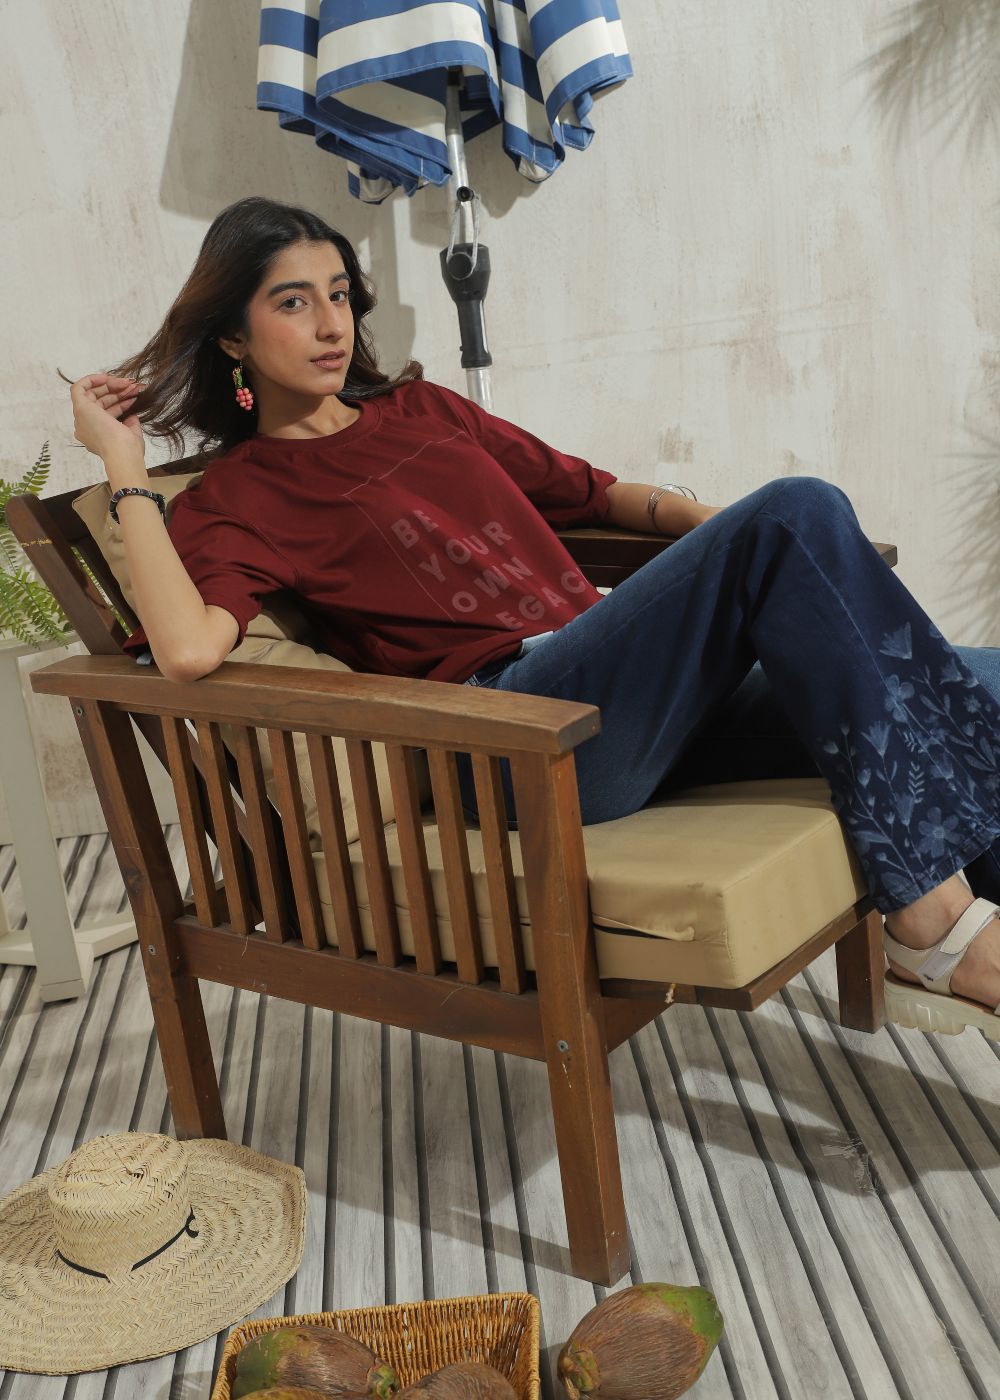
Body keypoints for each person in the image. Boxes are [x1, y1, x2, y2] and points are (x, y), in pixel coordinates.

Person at [67, 196, 1000, 1040]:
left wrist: (740, 539)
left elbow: (592, 493)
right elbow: (186, 651)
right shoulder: (238, 494)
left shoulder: (423, 409)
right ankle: (934, 929)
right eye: (293, 302)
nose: (331, 324)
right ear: (232, 336)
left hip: (639, 695)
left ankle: (968, 944)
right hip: (523, 734)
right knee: (798, 508)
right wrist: (124, 467)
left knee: (978, 675)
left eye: (340, 294)